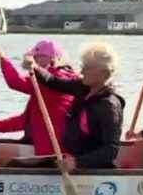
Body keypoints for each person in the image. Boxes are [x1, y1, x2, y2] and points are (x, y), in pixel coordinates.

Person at [32, 42, 125, 170]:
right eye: (83, 66)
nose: (81, 71)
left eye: (87, 68)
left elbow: (111, 150)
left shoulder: (108, 105)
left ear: (103, 73)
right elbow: (53, 82)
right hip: (73, 159)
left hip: (95, 169)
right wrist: (34, 67)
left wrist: (77, 163)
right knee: (16, 164)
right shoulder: (82, 88)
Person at [0, 40, 77, 156]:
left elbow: (16, 82)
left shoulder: (55, 78)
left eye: (38, 56)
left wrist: (3, 59)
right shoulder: (42, 88)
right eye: (34, 56)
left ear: (52, 58)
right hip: (47, 144)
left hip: (55, 147)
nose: (34, 59)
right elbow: (26, 120)